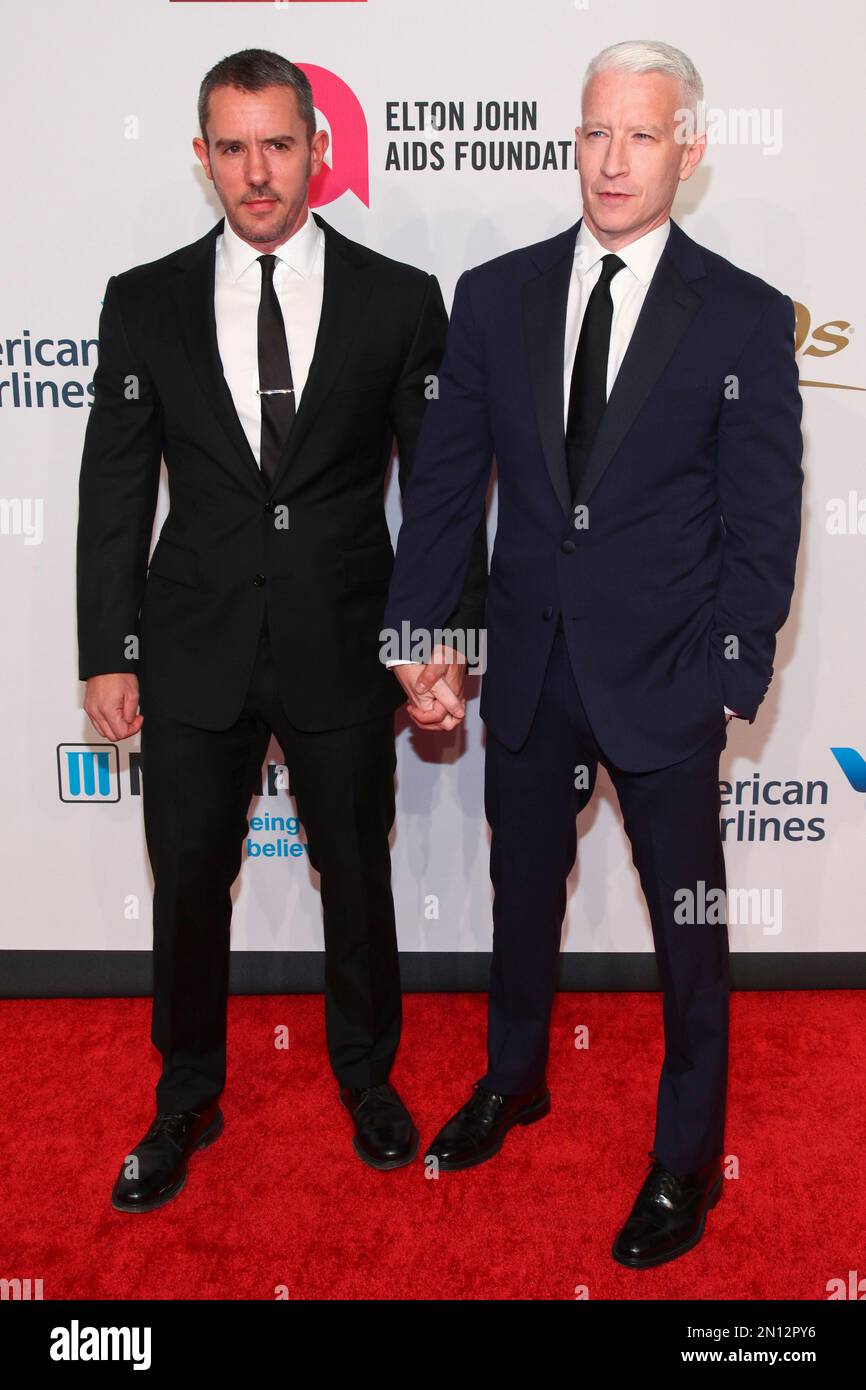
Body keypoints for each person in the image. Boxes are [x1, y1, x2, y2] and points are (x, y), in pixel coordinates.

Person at [382, 39, 803, 1267]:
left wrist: (729, 678)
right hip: (527, 667)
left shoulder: (735, 312)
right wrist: (420, 640)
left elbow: (760, 518)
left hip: (668, 674)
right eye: (592, 133)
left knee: (688, 929)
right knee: (521, 896)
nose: (611, 162)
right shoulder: (496, 294)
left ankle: (683, 1161)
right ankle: (515, 1080)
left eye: (639, 135)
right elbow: (449, 490)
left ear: (689, 148)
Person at [76, 47, 487, 1212]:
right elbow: (115, 489)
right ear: (201, 156)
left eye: (277, 143)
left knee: (355, 874)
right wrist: (108, 648)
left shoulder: (399, 298)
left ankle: (365, 1076)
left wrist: (446, 638)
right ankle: (185, 1096)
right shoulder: (141, 298)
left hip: (346, 636)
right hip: (194, 638)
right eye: (232, 146)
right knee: (189, 883)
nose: (257, 171)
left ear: (318, 147)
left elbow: (444, 487)